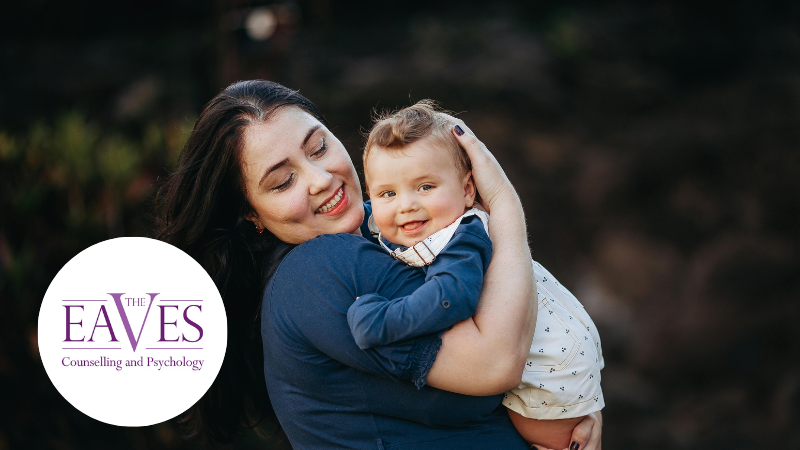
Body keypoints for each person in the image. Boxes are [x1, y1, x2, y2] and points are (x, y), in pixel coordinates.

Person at [154, 80, 602, 450]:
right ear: (250, 213)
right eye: (283, 180)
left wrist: (571, 400)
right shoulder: (317, 271)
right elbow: (497, 363)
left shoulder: (386, 230)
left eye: (318, 147)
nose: (320, 179)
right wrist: (504, 201)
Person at [347, 100, 604, 450]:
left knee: (545, 439)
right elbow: (369, 220)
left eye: (425, 187)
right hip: (561, 344)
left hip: (552, 364)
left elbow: (450, 297)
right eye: (388, 193)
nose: (406, 204)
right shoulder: (406, 221)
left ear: (468, 190)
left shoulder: (463, 238)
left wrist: (382, 320)